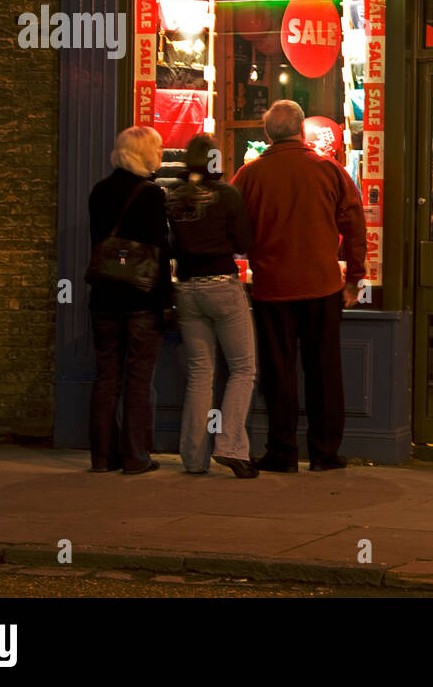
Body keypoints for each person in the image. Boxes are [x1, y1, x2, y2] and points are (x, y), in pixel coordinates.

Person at [231, 100, 366, 472]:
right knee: (324, 370)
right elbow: (354, 224)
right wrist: (354, 277)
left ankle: (282, 450)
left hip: (272, 288)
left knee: (279, 371)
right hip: (321, 287)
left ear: (268, 133)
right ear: (301, 129)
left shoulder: (249, 174)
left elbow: (234, 228)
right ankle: (324, 453)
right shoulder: (329, 170)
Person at [166, 134, 258, 478]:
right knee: (243, 369)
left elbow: (170, 246)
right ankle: (231, 446)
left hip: (186, 290)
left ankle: (193, 457)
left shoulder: (174, 200)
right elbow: (244, 243)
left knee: (200, 375)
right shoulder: (228, 196)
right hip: (222, 285)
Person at [86, 125, 171, 475]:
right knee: (137, 378)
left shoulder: (99, 191)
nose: (162, 154)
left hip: (104, 297)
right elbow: (160, 252)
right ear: (144, 153)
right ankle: (136, 457)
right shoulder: (151, 195)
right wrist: (165, 300)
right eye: (158, 149)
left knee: (107, 376)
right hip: (140, 298)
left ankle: (102, 457)